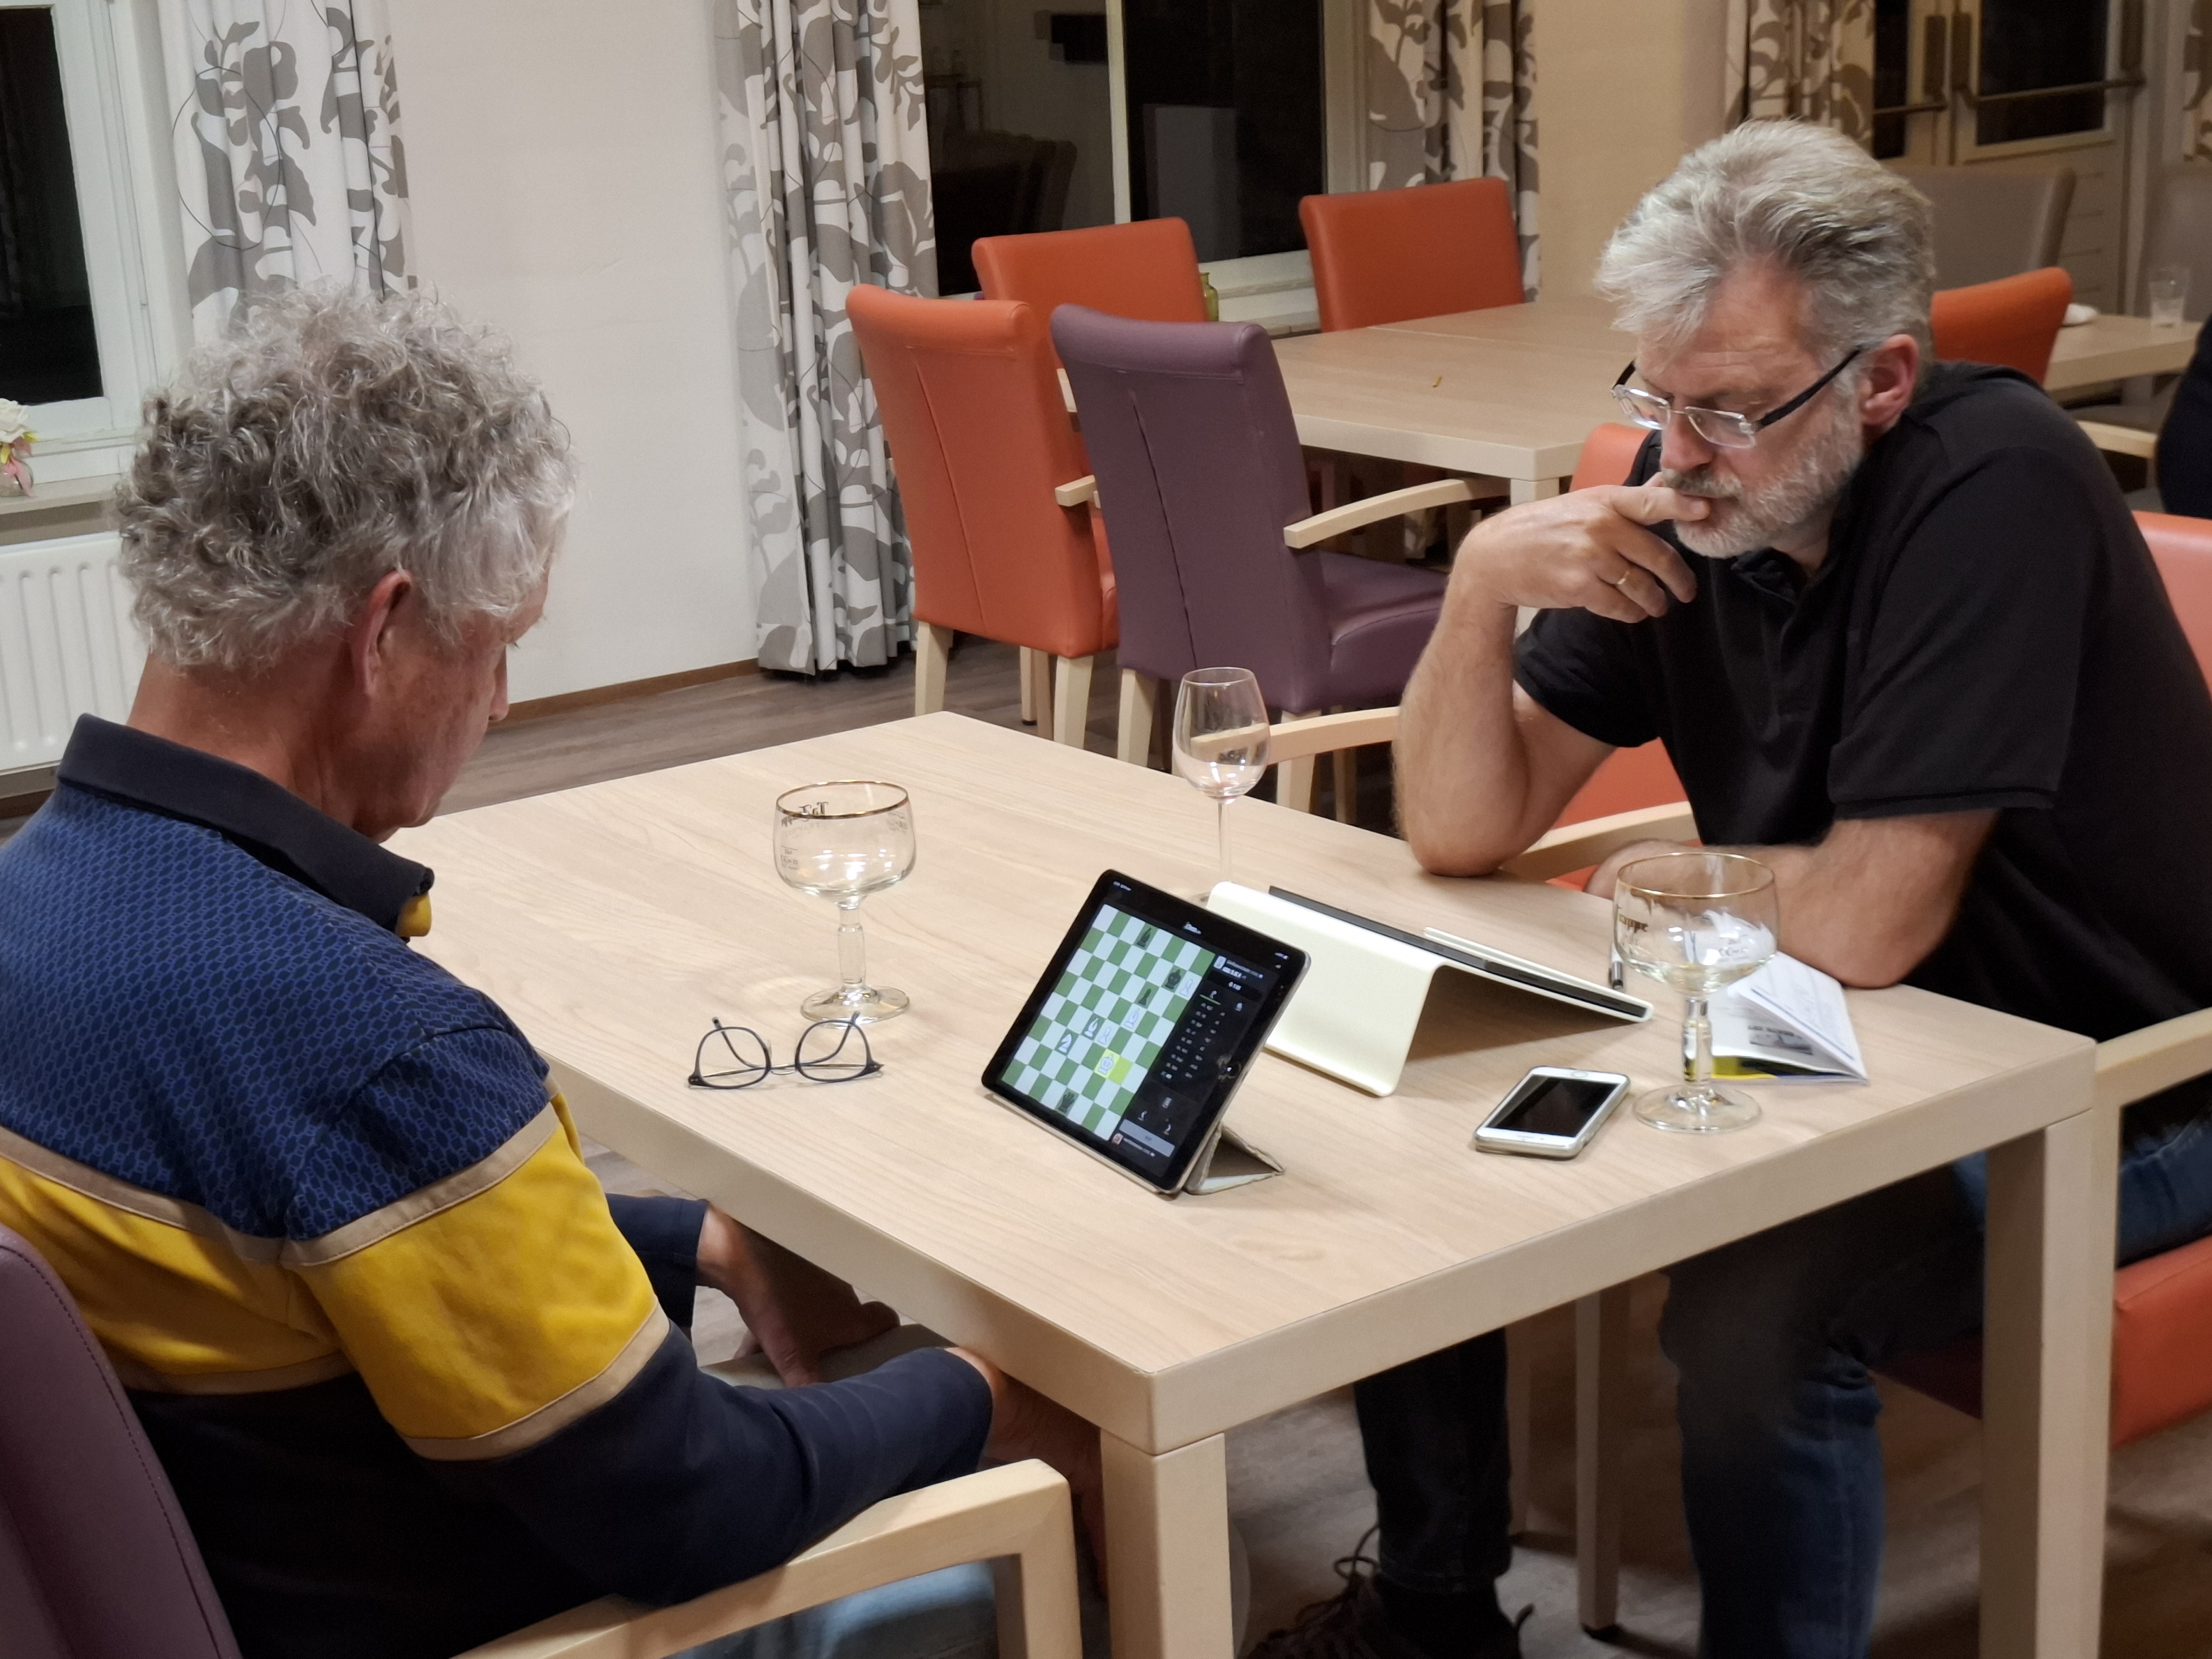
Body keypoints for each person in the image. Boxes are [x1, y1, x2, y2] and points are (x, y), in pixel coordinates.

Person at [0, 288, 1098, 1659]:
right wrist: (984, 1392)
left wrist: (692, 1242)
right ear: (383, 633)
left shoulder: (30, 902)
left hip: (250, 1572)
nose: (503, 702)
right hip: (508, 1615)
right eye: (497, 647)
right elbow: (698, 1504)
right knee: (1075, 1512)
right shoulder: (375, 1047)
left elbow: (333, 1248)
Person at [1257, 120, 2212, 1659]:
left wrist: (1679, 883)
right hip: (1850, 1039)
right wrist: (1481, 584)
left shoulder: (1997, 483)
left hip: (2127, 1080)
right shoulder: (1703, 492)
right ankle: (1436, 1613)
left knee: (1757, 1307)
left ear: (1881, 381)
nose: (1679, 452)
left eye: (1728, 411)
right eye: (1655, 398)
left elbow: (1872, 921)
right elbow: (1460, 826)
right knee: (1408, 1113)